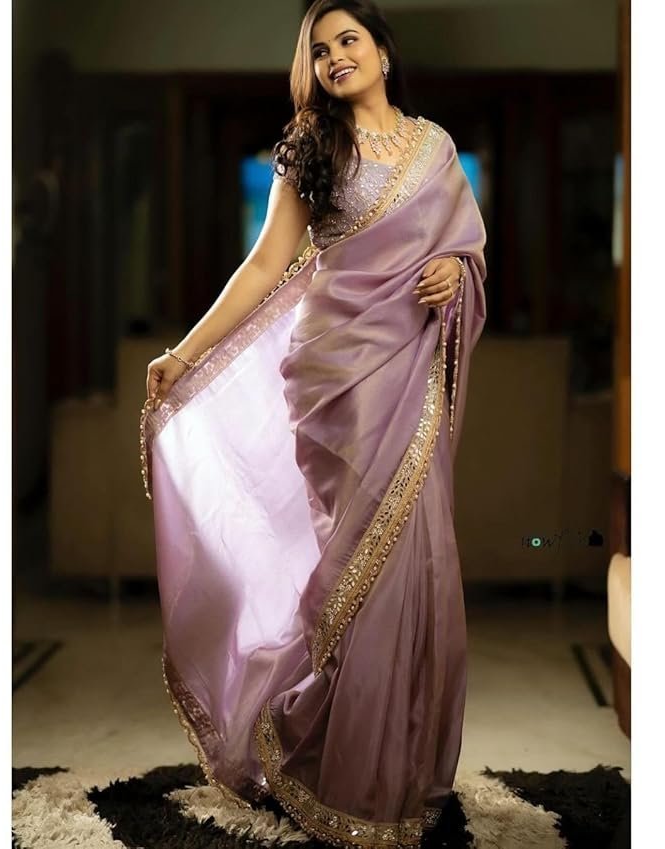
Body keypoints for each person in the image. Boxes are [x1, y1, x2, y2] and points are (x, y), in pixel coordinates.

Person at [141, 1, 487, 847]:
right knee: (360, 569)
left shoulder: (436, 148)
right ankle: (339, 772)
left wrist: (454, 268)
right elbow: (266, 262)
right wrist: (184, 354)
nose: (336, 57)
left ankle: (394, 769)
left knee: (422, 563)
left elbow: (467, 250)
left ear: (382, 52)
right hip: (338, 377)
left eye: (348, 41)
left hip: (409, 370)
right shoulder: (312, 148)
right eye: (321, 49)